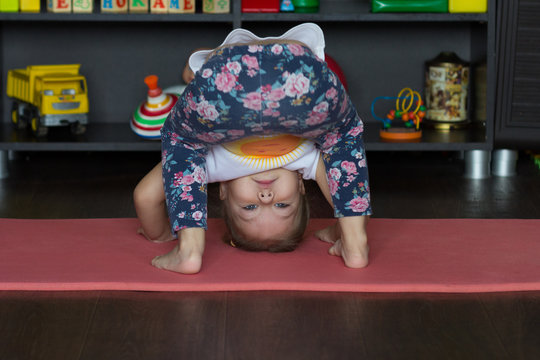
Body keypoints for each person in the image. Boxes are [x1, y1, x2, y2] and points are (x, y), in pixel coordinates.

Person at [135, 23, 372, 274]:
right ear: (301, 186)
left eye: (250, 208)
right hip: (260, 73)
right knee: (182, 146)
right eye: (283, 206)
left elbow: (352, 197)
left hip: (274, 71)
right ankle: (353, 241)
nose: (266, 198)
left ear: (224, 190)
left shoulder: (212, 166)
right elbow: (348, 195)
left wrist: (158, 233)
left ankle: (190, 249)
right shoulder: (308, 160)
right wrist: (158, 231)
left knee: (343, 145)